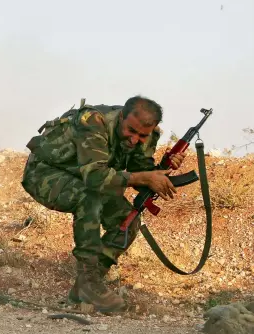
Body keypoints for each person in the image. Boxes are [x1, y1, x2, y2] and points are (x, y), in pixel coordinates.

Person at [21, 96, 186, 313]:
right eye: (130, 131)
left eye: (142, 136)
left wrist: (161, 170)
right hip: (45, 173)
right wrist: (145, 177)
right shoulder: (93, 122)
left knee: (127, 218)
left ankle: (88, 284)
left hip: (82, 177)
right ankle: (89, 281)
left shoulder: (149, 136)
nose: (135, 140)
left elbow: (138, 170)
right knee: (89, 196)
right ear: (121, 117)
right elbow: (96, 178)